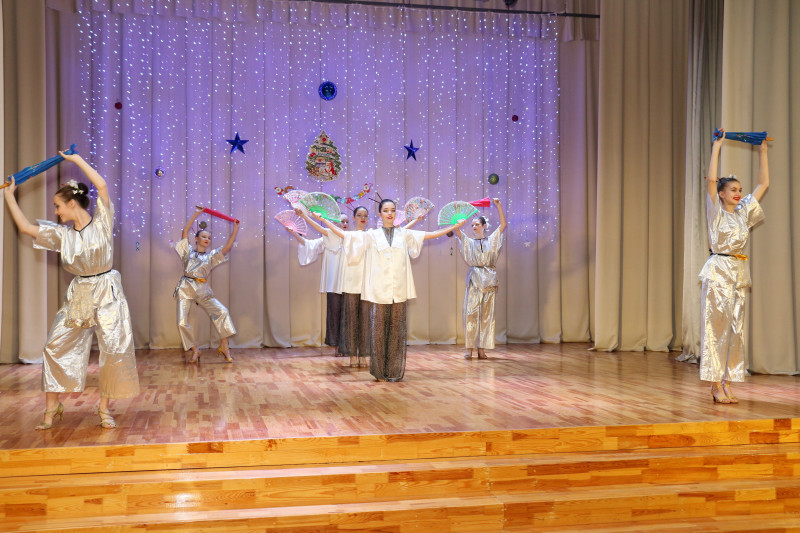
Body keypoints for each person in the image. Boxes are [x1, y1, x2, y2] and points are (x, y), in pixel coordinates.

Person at [2, 152, 139, 430]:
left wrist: (75, 160)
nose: (55, 212)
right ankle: (52, 408)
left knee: (114, 348)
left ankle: (104, 409)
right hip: (80, 294)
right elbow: (25, 228)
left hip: (107, 290)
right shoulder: (62, 235)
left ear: (72, 203)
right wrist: (9, 196)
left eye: (57, 206)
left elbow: (102, 186)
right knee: (55, 345)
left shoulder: (102, 221)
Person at [319, 199, 465, 382]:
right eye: (386, 210)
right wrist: (323, 220)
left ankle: (394, 371)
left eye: (393, 210)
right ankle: (380, 372)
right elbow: (345, 235)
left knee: (396, 331)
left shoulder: (404, 234)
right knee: (379, 331)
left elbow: (431, 235)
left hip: (399, 289)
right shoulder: (371, 235)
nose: (390, 213)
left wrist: (454, 226)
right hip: (379, 290)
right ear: (379, 214)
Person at [700, 129, 769, 404]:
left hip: (738, 273)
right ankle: (714, 384)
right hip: (718, 270)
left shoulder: (743, 214)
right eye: (733, 190)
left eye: (740, 190)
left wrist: (762, 151)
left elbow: (763, 183)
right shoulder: (716, 211)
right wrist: (717, 146)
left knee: (735, 330)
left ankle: (727, 381)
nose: (739, 193)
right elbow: (711, 180)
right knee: (715, 328)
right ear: (721, 194)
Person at [174, 207, 240, 363]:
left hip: (202, 289)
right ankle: (195, 350)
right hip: (185, 288)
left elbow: (227, 246)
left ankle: (224, 347)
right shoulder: (187, 252)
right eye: (203, 236)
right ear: (196, 238)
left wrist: (235, 229)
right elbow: (185, 231)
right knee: (182, 322)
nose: (206, 239)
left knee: (222, 312)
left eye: (209, 238)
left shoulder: (211, 257)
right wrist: (196, 214)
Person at [454, 198, 507, 359]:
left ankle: (482, 349)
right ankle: (469, 348)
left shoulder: (492, 240)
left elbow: (503, 225)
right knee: (471, 313)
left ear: (484, 226)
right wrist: (458, 221)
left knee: (487, 315)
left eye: (477, 224)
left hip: (489, 280)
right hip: (474, 279)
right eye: (472, 225)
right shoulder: (469, 242)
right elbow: (458, 232)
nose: (474, 227)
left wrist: (498, 205)